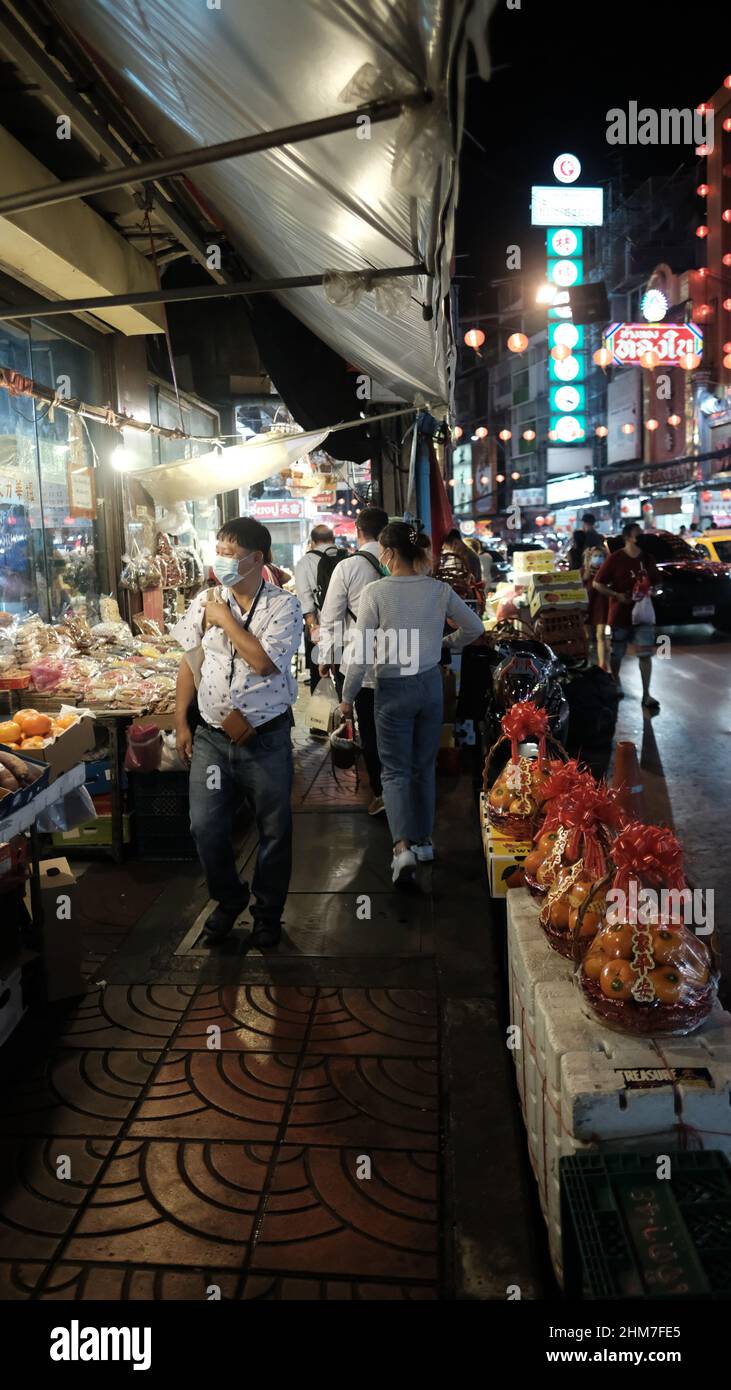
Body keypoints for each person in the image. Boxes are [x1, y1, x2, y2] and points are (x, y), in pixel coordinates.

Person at [172, 517, 302, 946]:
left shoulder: (283, 606)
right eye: (220, 551)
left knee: (274, 829)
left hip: (265, 738)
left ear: (257, 559)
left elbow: (264, 662)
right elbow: (190, 661)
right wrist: (180, 720)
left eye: (230, 553)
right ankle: (228, 899)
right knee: (204, 826)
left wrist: (225, 620)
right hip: (211, 735)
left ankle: (268, 913)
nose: (221, 560)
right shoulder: (204, 600)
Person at [339, 521, 484, 887]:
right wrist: (444, 644)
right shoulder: (438, 589)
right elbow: (475, 628)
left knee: (394, 771)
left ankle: (401, 847)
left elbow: (359, 654)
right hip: (430, 686)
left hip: (392, 689)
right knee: (423, 766)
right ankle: (424, 843)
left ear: (387, 554)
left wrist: (347, 697)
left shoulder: (375, 593)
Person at [317, 506, 389, 815]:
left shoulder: (347, 567)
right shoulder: (401, 563)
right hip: (404, 662)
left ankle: (382, 794)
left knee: (371, 730)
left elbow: (331, 616)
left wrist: (327, 656)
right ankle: (404, 793)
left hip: (362, 664)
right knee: (398, 730)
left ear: (358, 531)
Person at [593, 522, 661, 711]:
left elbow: (657, 583)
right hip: (620, 615)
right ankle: (617, 683)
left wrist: (652, 590)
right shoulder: (615, 559)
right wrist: (616, 596)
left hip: (643, 615)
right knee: (617, 654)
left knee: (645, 654)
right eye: (637, 534)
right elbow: (598, 583)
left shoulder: (648, 558)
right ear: (628, 537)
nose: (641, 536)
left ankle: (647, 694)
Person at [294, 524, 337, 694]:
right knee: (343, 675)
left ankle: (323, 718)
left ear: (312, 542)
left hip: (319, 627)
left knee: (320, 681)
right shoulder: (347, 558)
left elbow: (306, 601)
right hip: (345, 628)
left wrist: (314, 631)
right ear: (332, 539)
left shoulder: (305, 562)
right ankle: (345, 715)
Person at [581, 538, 609, 670]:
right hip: (587, 607)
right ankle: (586, 663)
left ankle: (603, 664)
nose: (598, 559)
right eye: (596, 556)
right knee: (586, 636)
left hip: (602, 606)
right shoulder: (583, 573)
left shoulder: (607, 572)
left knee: (601, 634)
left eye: (601, 556)